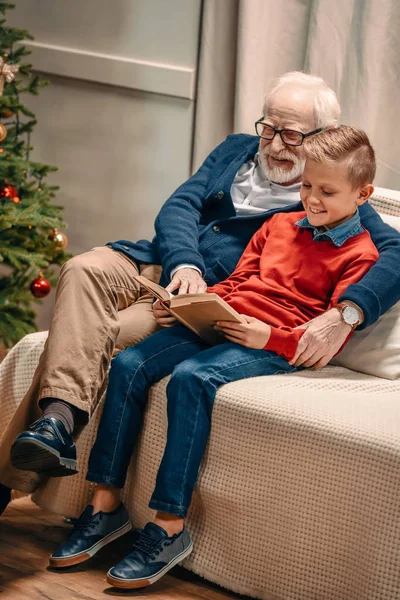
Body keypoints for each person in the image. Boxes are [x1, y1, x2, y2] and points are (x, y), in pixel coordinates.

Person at [1, 72, 400, 514]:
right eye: (268, 128)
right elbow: (181, 204)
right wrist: (184, 264)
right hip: (165, 262)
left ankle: (40, 441)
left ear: (320, 136)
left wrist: (346, 313)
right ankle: (56, 428)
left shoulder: (328, 194)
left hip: (203, 298)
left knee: (92, 337)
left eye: (291, 134)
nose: (275, 145)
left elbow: (394, 252)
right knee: (81, 267)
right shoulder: (235, 149)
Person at [48, 125, 381, 589]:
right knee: (128, 364)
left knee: (191, 378)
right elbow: (239, 282)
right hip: (225, 322)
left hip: (272, 344)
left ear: (362, 194)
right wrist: (189, 305)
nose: (312, 199)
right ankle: (104, 506)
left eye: (327, 191)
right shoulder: (279, 224)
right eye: (306, 185)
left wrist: (267, 335)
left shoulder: (362, 254)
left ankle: (168, 527)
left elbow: (322, 339)